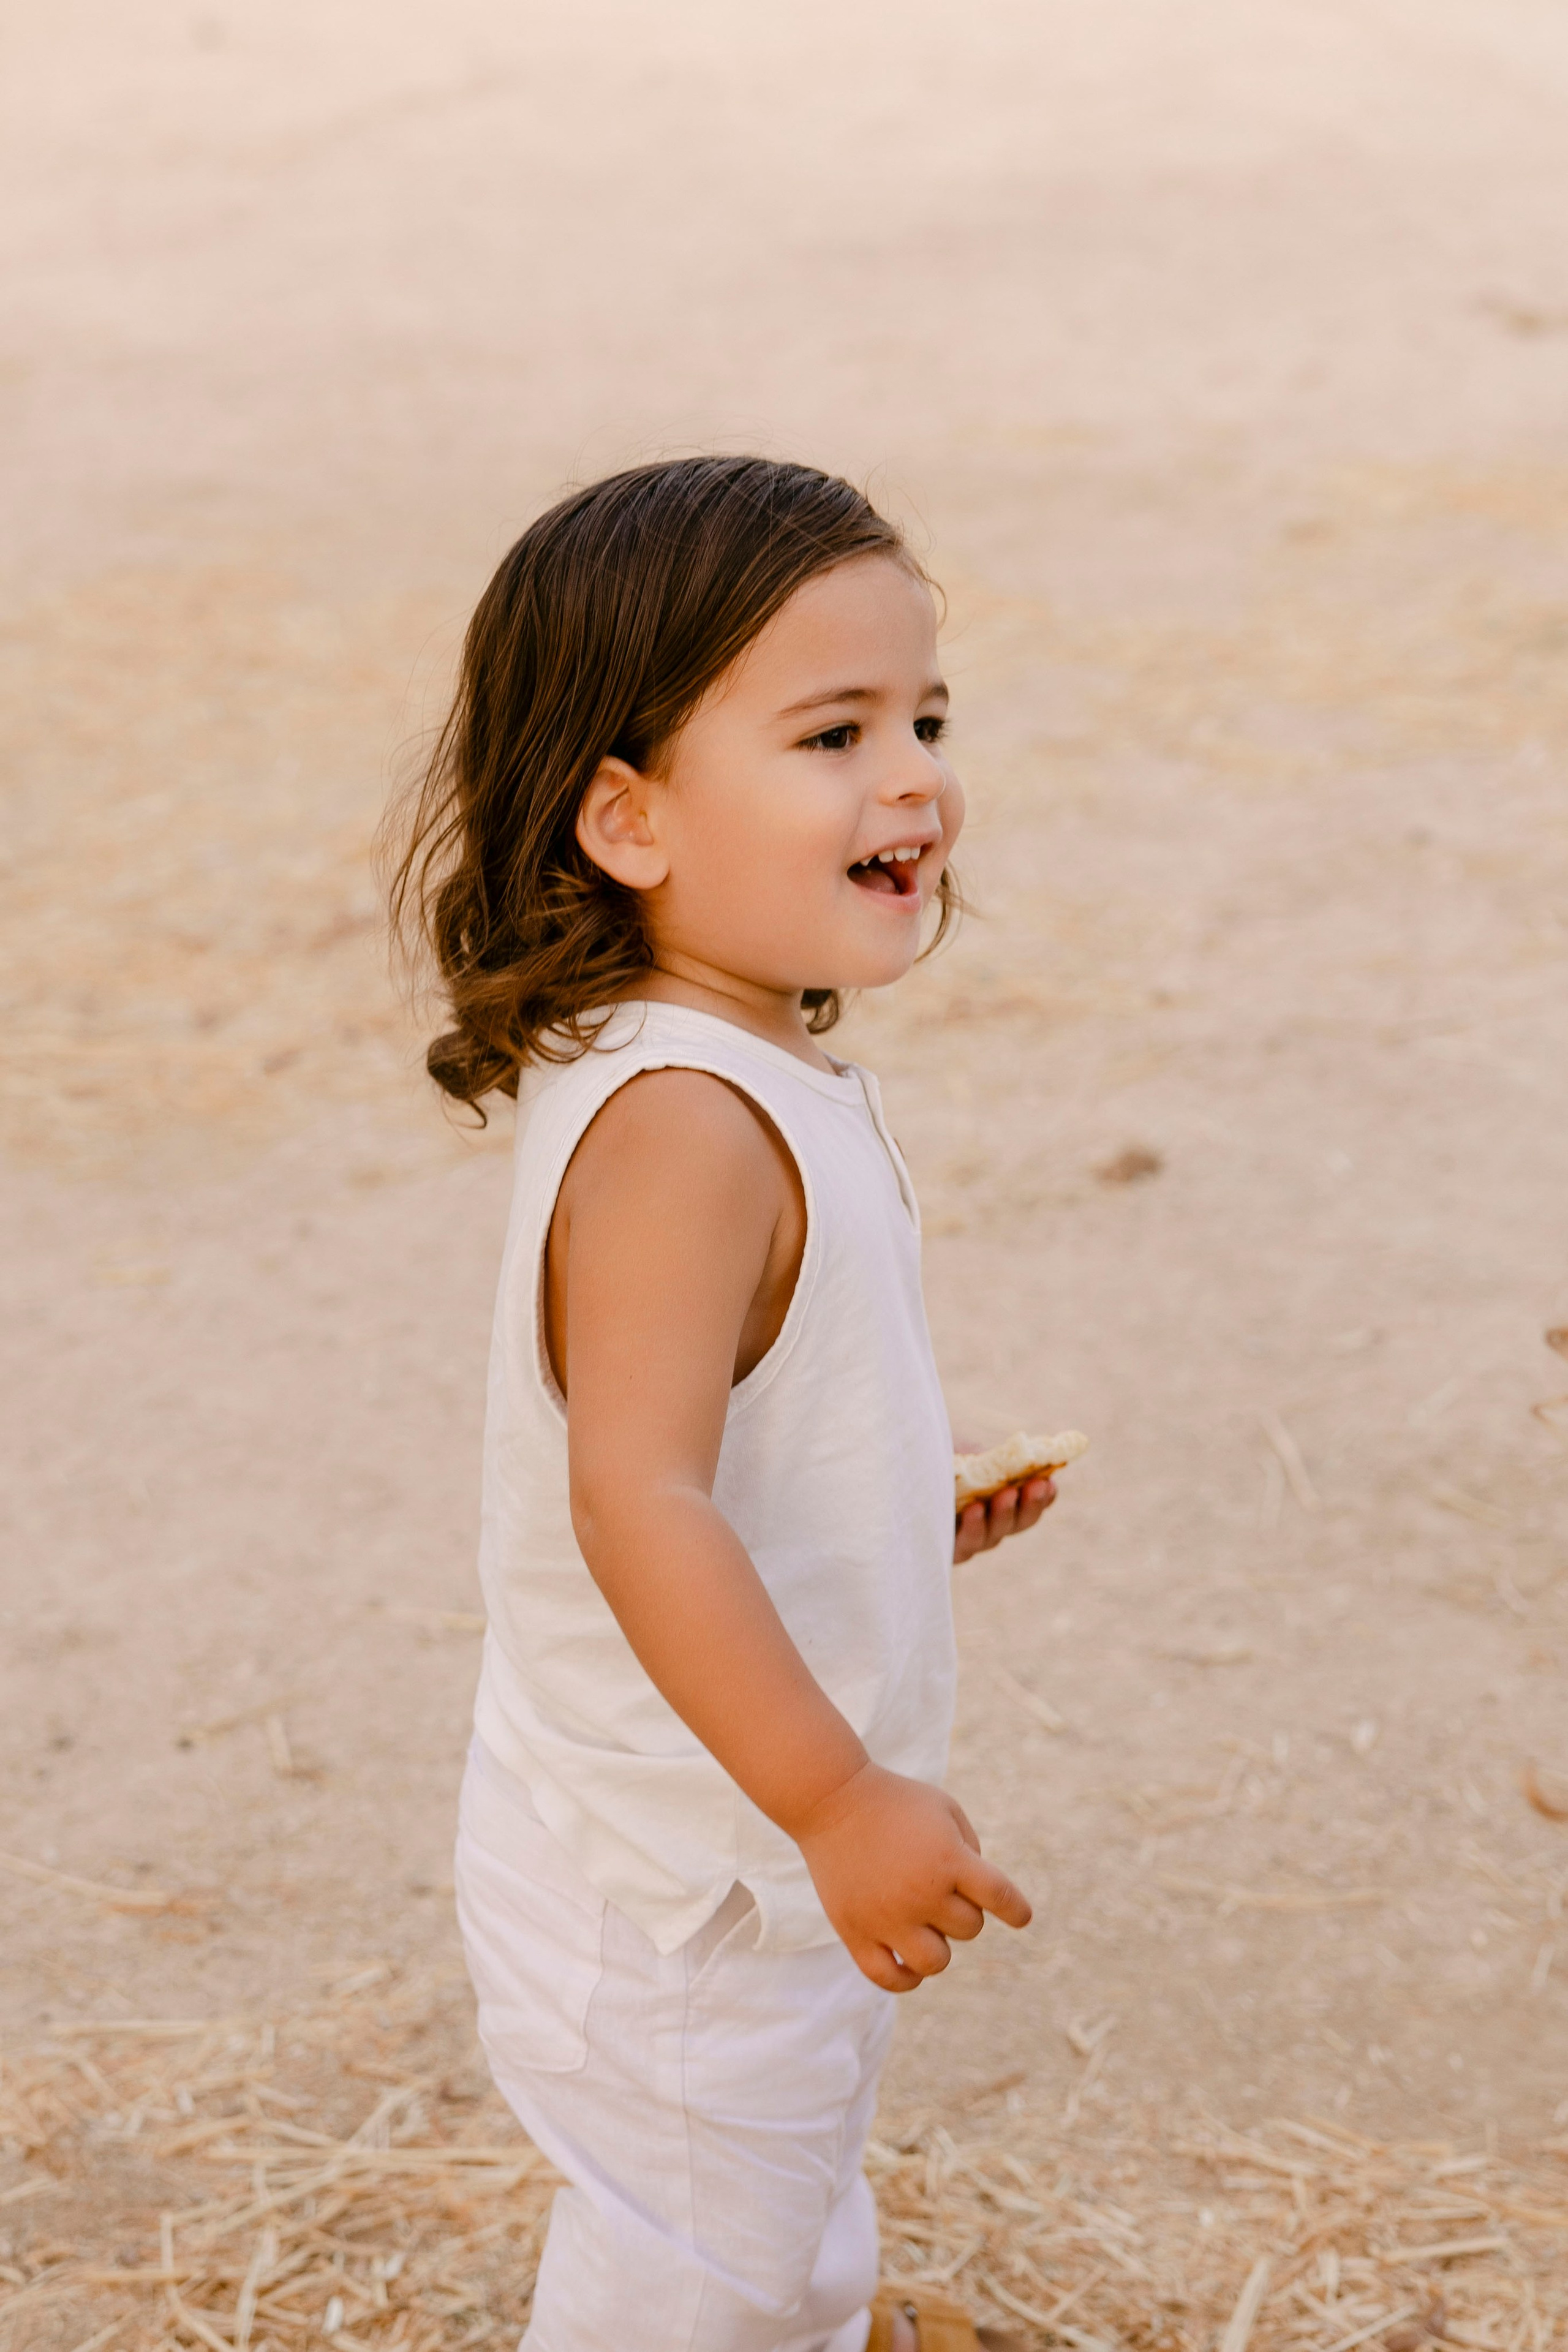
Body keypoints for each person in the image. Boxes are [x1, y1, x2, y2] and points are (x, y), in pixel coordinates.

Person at [389, 457, 1058, 2352]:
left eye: (925, 716)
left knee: (774, 2246)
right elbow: (641, 1501)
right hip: (678, 1887)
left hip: (724, 1846)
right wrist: (840, 1795)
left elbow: (725, 1440)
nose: (914, 775)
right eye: (832, 733)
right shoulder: (685, 1120)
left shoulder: (736, 1057)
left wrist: (880, 1507)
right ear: (629, 816)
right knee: (694, 2286)